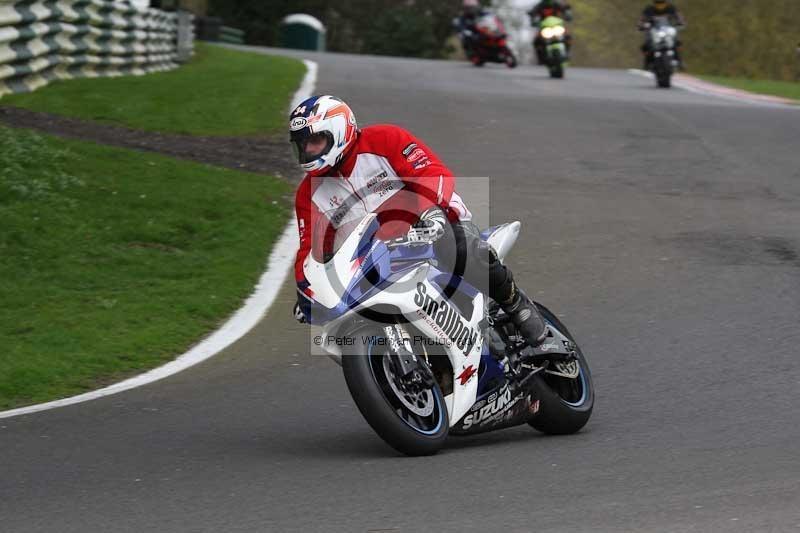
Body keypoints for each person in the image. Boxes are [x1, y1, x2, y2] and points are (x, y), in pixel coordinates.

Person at [290, 94, 548, 350]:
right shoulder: (308, 194)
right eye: (302, 144)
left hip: (433, 226)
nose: (308, 150)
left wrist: (430, 213)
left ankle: (515, 304)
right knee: (348, 319)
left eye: (315, 140)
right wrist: (308, 292)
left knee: (459, 247)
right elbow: (309, 252)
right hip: (378, 260)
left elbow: (432, 173)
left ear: (339, 131)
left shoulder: (386, 139)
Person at [638, 0, 685, 69]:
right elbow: (642, 18)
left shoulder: (671, 7)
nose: (660, 5)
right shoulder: (649, 9)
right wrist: (641, 25)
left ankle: (679, 60)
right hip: (653, 30)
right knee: (646, 44)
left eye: (662, 3)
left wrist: (680, 22)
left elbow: (678, 16)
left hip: (667, 30)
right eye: (658, 3)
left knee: (677, 41)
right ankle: (646, 62)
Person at [529, 0, 573, 65]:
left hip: (557, 26)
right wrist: (533, 19)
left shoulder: (556, 4)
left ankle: (567, 52)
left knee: (568, 36)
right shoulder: (540, 5)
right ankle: (541, 58)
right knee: (536, 41)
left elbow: (565, 9)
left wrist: (567, 14)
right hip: (544, 27)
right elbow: (533, 12)